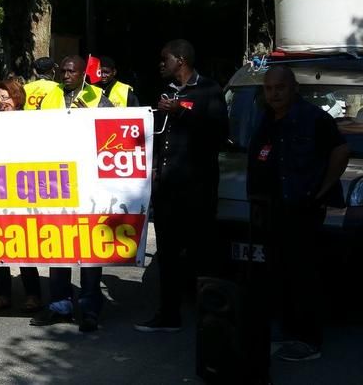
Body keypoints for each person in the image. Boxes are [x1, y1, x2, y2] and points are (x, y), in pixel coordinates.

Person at [248, 65, 348, 363]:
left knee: (305, 276)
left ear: (294, 89)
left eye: (279, 88)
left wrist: (322, 189)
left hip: (301, 211)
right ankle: (288, 331)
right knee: (279, 274)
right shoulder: (267, 119)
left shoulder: (314, 119)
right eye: (268, 89)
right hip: (272, 210)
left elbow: (340, 152)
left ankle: (309, 340)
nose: (273, 94)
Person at [135, 39, 227, 334]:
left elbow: (219, 134)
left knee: (202, 255)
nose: (161, 64)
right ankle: (168, 314)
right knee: (168, 255)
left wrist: (182, 113)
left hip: (197, 189)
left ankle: (210, 318)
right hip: (167, 188)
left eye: (165, 59)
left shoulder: (209, 90)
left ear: (181, 60)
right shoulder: (164, 92)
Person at [31, 55, 112, 332]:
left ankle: (90, 307)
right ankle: (60, 305)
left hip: (89, 182)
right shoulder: (50, 96)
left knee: (89, 248)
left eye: (71, 71)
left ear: (82, 74)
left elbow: (111, 133)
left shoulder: (97, 97)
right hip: (57, 182)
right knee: (59, 245)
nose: (65, 75)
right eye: (63, 71)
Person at [0, 76, 42, 313]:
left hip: (22, 191)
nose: (2, 102)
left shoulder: (30, 121)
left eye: (6, 97)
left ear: (17, 97)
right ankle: (3, 295)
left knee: (24, 246)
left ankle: (33, 295)